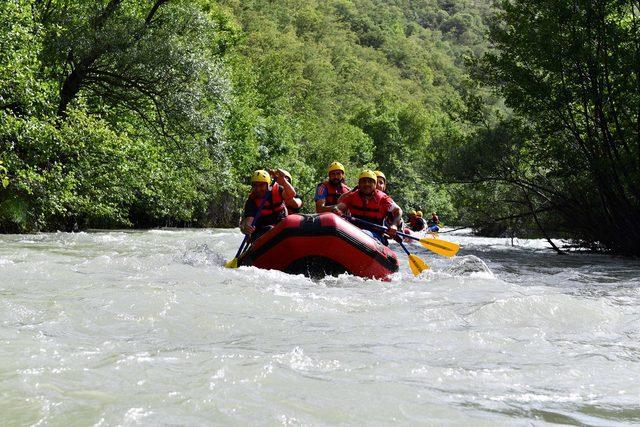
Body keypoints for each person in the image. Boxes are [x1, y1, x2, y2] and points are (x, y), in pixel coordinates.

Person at [331, 170, 402, 245]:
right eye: (363, 181)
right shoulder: (352, 196)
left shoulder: (383, 198)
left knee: (364, 233)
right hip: (352, 231)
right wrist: (336, 209)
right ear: (359, 184)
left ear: (375, 184)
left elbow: (398, 211)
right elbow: (340, 206)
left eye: (370, 181)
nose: (366, 184)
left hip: (375, 235)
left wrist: (394, 224)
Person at [240, 169, 297, 241]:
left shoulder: (277, 190)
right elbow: (249, 221)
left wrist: (284, 181)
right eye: (255, 185)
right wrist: (247, 227)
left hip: (280, 226)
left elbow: (291, 194)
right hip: (262, 231)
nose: (258, 189)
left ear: (268, 185)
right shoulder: (251, 201)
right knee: (269, 230)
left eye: (261, 185)